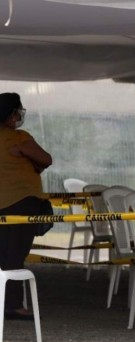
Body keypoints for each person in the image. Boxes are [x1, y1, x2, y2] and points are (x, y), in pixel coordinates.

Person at [0, 92, 52, 320]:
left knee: (4, 254)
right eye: (18, 111)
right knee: (15, 256)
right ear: (12, 114)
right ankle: (13, 305)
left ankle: (8, 303)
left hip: (3, 205)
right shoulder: (19, 137)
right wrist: (24, 153)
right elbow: (46, 159)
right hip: (21, 203)